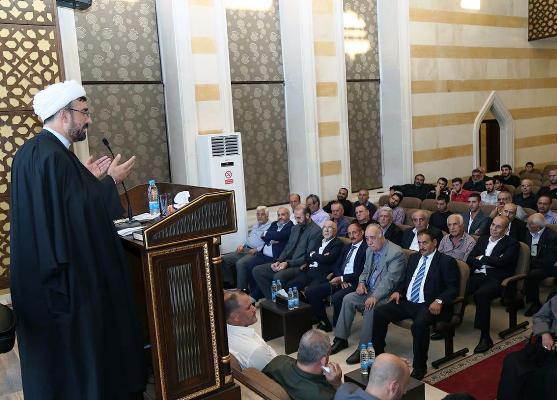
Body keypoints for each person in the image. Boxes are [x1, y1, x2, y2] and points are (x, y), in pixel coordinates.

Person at [10, 80, 146, 399]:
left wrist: (87, 179)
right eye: (84, 112)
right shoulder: (55, 157)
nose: (88, 119)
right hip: (66, 284)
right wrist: (110, 182)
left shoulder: (33, 151)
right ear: (64, 114)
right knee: (78, 360)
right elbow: (77, 217)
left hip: (37, 282)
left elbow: (62, 204)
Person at [372, 230, 460, 380]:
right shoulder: (414, 258)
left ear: (434, 243)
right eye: (419, 243)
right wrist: (399, 291)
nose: (421, 246)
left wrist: (439, 300)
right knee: (380, 312)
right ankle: (379, 354)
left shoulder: (446, 261)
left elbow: (453, 288)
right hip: (408, 301)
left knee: (418, 326)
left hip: (428, 304)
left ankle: (420, 367)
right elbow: (406, 280)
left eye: (425, 242)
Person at [331, 224, 406, 365]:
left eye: (372, 238)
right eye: (367, 238)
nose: (369, 242)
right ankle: (340, 339)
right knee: (348, 299)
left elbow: (389, 281)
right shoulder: (370, 249)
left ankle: (363, 349)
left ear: (381, 236)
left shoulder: (396, 253)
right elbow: (365, 271)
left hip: (386, 295)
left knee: (370, 308)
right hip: (369, 289)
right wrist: (361, 283)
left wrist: (374, 297)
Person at [466, 216, 519, 353]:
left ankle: (485, 337)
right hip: (478, 275)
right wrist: (489, 261)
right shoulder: (483, 239)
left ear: (506, 230)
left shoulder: (512, 243)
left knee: (481, 295)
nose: (493, 228)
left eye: (498, 226)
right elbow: (470, 258)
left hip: (496, 279)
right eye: (493, 225)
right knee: (458, 286)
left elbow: (503, 262)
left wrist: (482, 258)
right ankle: (449, 323)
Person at [306, 222, 368, 331]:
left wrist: (344, 279)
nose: (352, 236)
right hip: (340, 279)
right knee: (311, 292)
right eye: (349, 233)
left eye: (354, 232)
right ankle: (324, 322)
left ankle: (338, 325)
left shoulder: (366, 249)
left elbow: (361, 271)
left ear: (362, 232)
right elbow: (335, 265)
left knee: (337, 297)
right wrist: (341, 278)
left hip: (355, 282)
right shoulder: (347, 247)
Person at [252, 205, 322, 300]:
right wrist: (278, 261)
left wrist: (288, 263)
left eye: (299, 218)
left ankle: (282, 303)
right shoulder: (295, 228)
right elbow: (287, 248)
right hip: (286, 262)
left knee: (278, 277)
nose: (296, 220)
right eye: (295, 218)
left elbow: (308, 256)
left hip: (299, 266)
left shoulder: (316, 231)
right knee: (257, 270)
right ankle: (273, 301)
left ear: (307, 215)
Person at [497, 294, 557, 400]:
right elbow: (540, 316)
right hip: (547, 342)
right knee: (512, 361)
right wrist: (545, 334)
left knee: (552, 375)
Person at [263, 329, 343, 400]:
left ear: (300, 349)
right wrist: (337, 384)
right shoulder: (323, 395)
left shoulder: (278, 361)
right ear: (323, 360)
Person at [224, 290, 277, 370]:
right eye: (248, 308)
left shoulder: (225, 331)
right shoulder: (255, 350)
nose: (254, 309)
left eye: (252, 304)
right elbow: (276, 370)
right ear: (235, 317)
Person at [285, 220, 343, 293]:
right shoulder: (319, 240)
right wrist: (320, 256)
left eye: (329, 227)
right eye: (324, 227)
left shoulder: (337, 243)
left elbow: (327, 259)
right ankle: (299, 300)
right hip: (309, 270)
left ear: (335, 231)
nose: (326, 230)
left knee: (310, 292)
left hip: (321, 274)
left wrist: (313, 254)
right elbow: (307, 256)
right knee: (290, 286)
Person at [221, 205, 272, 289]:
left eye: (262, 214)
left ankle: (241, 290)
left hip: (255, 252)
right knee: (224, 259)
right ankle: (230, 284)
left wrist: (257, 249)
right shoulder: (256, 225)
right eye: (258, 214)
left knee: (240, 263)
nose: (259, 216)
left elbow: (268, 243)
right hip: (245, 248)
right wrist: (242, 245)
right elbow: (250, 238)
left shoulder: (271, 227)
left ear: (267, 215)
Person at [334, 353, 410, 400]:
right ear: (394, 387)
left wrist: (396, 365)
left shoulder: (344, 390)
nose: (405, 391)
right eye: (404, 386)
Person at [522, 214, 557, 316]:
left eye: (529, 224)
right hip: (532, 262)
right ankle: (516, 298)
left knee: (533, 274)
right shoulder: (528, 233)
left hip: (547, 266)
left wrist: (531, 264)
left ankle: (535, 304)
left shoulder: (552, 237)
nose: (526, 226)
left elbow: (549, 260)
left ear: (537, 226)